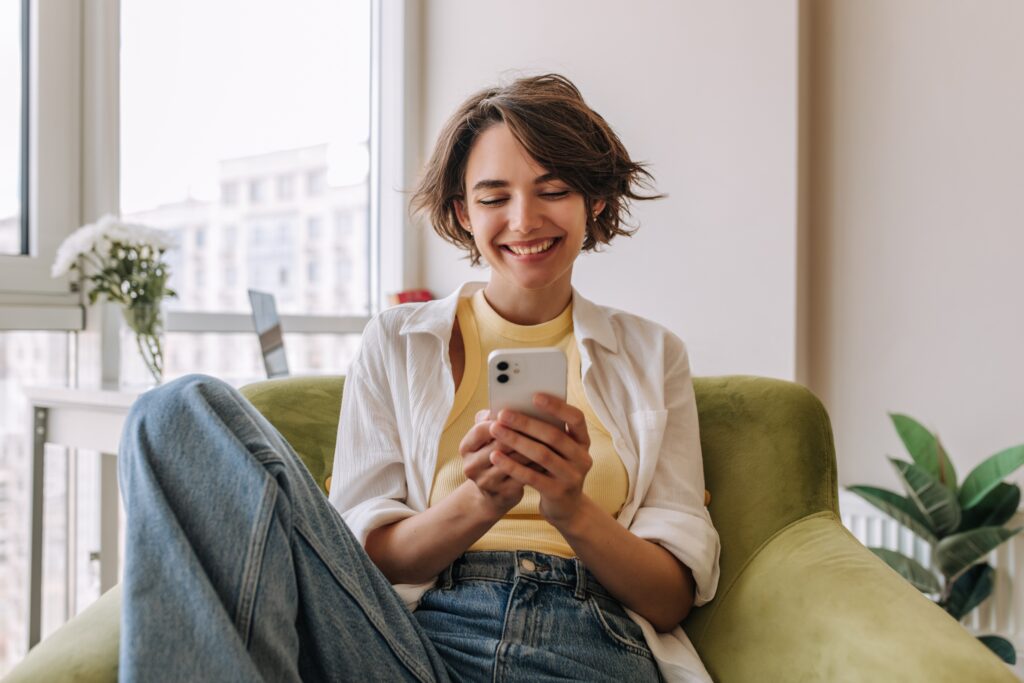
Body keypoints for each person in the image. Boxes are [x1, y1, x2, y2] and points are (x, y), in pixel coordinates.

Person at [118, 74, 720, 683]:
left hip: (586, 644)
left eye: (554, 189)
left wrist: (570, 507)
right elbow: (363, 557)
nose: (524, 219)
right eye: (492, 198)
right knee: (175, 408)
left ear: (593, 199)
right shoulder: (396, 341)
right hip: (408, 646)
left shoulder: (652, 353)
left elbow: (670, 597)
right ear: (463, 211)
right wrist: (480, 501)